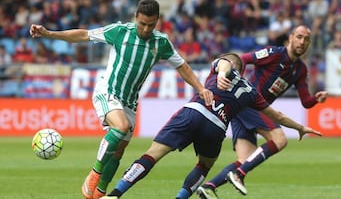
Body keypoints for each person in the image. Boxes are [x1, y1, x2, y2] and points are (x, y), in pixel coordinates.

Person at [29, 0, 214, 199]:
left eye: (150, 25)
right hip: (107, 91)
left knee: (118, 152)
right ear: (135, 17)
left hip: (130, 103)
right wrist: (48, 33)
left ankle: (99, 192)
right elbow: (83, 35)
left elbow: (182, 66)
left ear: (157, 21)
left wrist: (200, 88)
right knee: (121, 127)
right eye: (142, 23)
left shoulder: (161, 43)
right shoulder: (120, 32)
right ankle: (95, 173)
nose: (145, 28)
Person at [100, 52, 322, 199]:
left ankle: (115, 194)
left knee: (153, 154)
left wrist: (223, 70)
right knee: (204, 166)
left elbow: (224, 63)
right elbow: (278, 116)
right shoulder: (251, 92)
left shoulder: (222, 68)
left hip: (193, 112)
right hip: (216, 128)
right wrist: (300, 128)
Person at [197, 25, 329, 199]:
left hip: (247, 110)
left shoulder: (300, 69)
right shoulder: (274, 54)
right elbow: (243, 59)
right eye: (299, 37)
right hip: (249, 103)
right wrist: (238, 84)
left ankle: (209, 186)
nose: (302, 42)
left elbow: (305, 101)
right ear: (291, 38)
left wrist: (316, 99)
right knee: (279, 140)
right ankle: (238, 175)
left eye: (306, 39)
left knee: (246, 159)